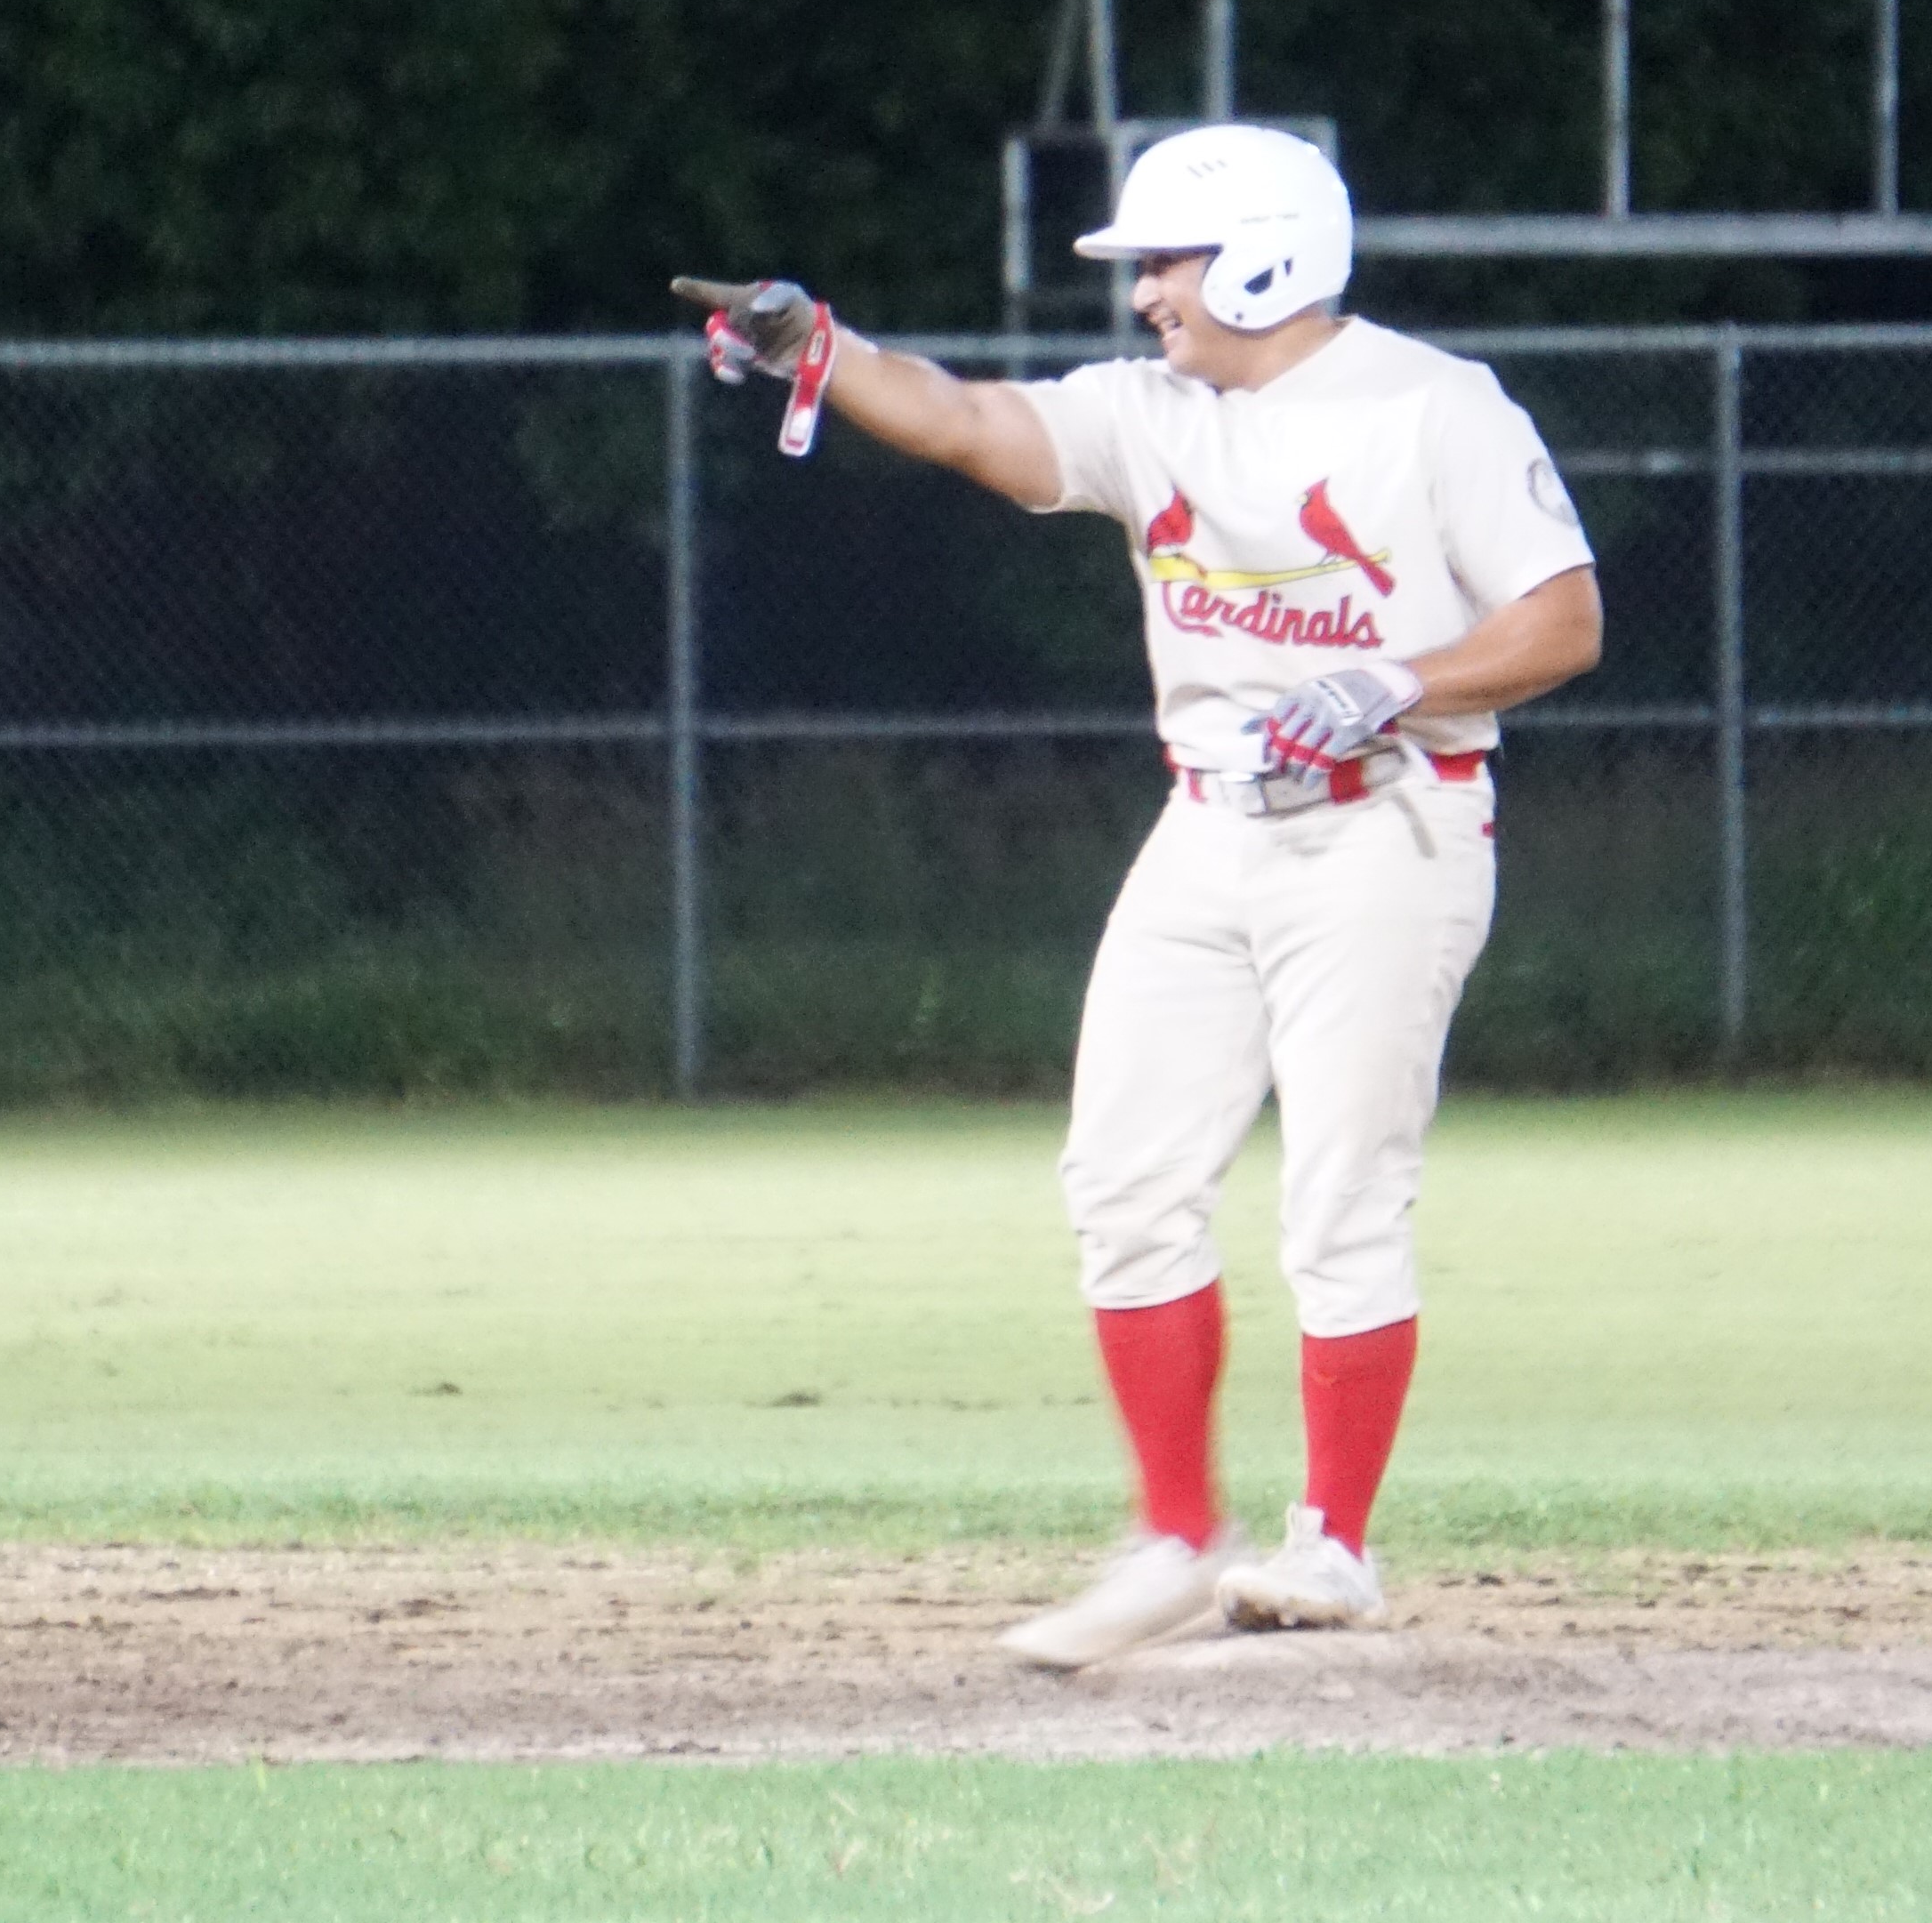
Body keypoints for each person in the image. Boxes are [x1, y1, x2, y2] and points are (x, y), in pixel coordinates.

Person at [673, 124, 1601, 1668]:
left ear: (1264, 254)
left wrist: (1400, 680)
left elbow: (1563, 619)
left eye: (1163, 260)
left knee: (1341, 1200)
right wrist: (819, 351)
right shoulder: (1147, 412)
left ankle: (1333, 1549)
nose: (1144, 292)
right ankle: (1174, 1541)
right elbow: (969, 421)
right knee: (1120, 1180)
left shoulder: (1430, 407)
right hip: (1204, 828)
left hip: (1389, 829)